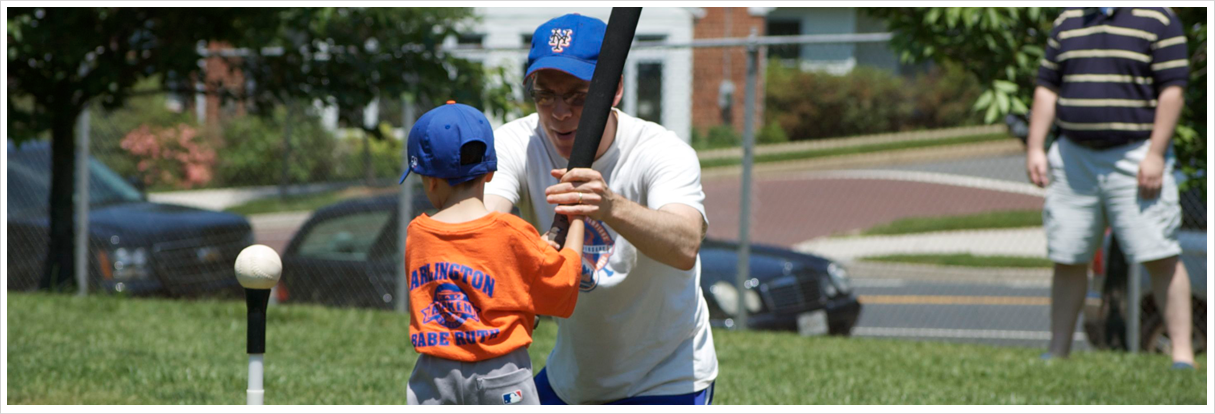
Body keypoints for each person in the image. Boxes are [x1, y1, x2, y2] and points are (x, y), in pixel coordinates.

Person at [484, 14, 718, 405]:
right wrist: (523, 257)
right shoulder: (515, 143)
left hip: (667, 377)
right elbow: (487, 225)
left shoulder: (660, 150)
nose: (559, 112)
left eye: (578, 96)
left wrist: (610, 207)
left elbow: (685, 244)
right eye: (546, 95)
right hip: (572, 378)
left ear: (615, 90)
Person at [1027, 7, 1194, 368]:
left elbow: (1172, 91)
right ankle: (1057, 352)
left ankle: (1183, 355)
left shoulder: (1159, 19)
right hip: (1073, 157)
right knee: (1068, 255)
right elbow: (1047, 88)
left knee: (1160, 254)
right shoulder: (1067, 21)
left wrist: (1155, 154)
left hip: (1136, 155)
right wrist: (1035, 146)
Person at [401, 101, 587, 405]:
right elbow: (563, 285)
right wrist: (577, 215)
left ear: (432, 181)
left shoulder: (416, 235)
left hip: (434, 375)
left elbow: (467, 260)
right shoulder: (513, 233)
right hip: (502, 371)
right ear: (488, 173)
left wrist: (528, 255)